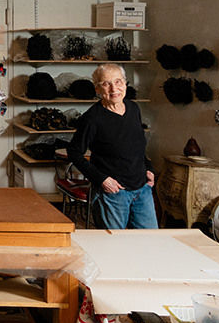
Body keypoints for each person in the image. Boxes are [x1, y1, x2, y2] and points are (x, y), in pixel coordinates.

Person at [66, 63, 157, 229]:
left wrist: (148, 168)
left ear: (125, 84)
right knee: (112, 246)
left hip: (142, 189)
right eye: (106, 84)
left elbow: (136, 146)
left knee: (150, 242)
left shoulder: (133, 108)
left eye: (118, 82)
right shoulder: (92, 118)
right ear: (97, 90)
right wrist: (102, 179)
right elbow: (74, 152)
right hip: (113, 193)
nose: (114, 89)